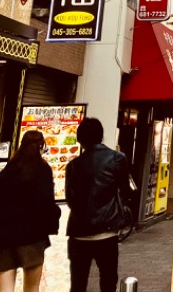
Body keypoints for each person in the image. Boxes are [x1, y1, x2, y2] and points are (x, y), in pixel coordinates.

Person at [65, 117, 132, 292]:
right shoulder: (117, 159)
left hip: (78, 233)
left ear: (80, 139)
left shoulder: (73, 165)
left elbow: (70, 199)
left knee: (78, 282)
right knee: (108, 279)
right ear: (101, 136)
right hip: (106, 231)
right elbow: (126, 190)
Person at [0, 130, 60, 292]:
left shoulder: (8, 170)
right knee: (32, 288)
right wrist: (52, 222)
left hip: (4, 238)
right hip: (32, 238)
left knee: (5, 290)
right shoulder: (43, 170)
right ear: (42, 146)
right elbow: (46, 204)